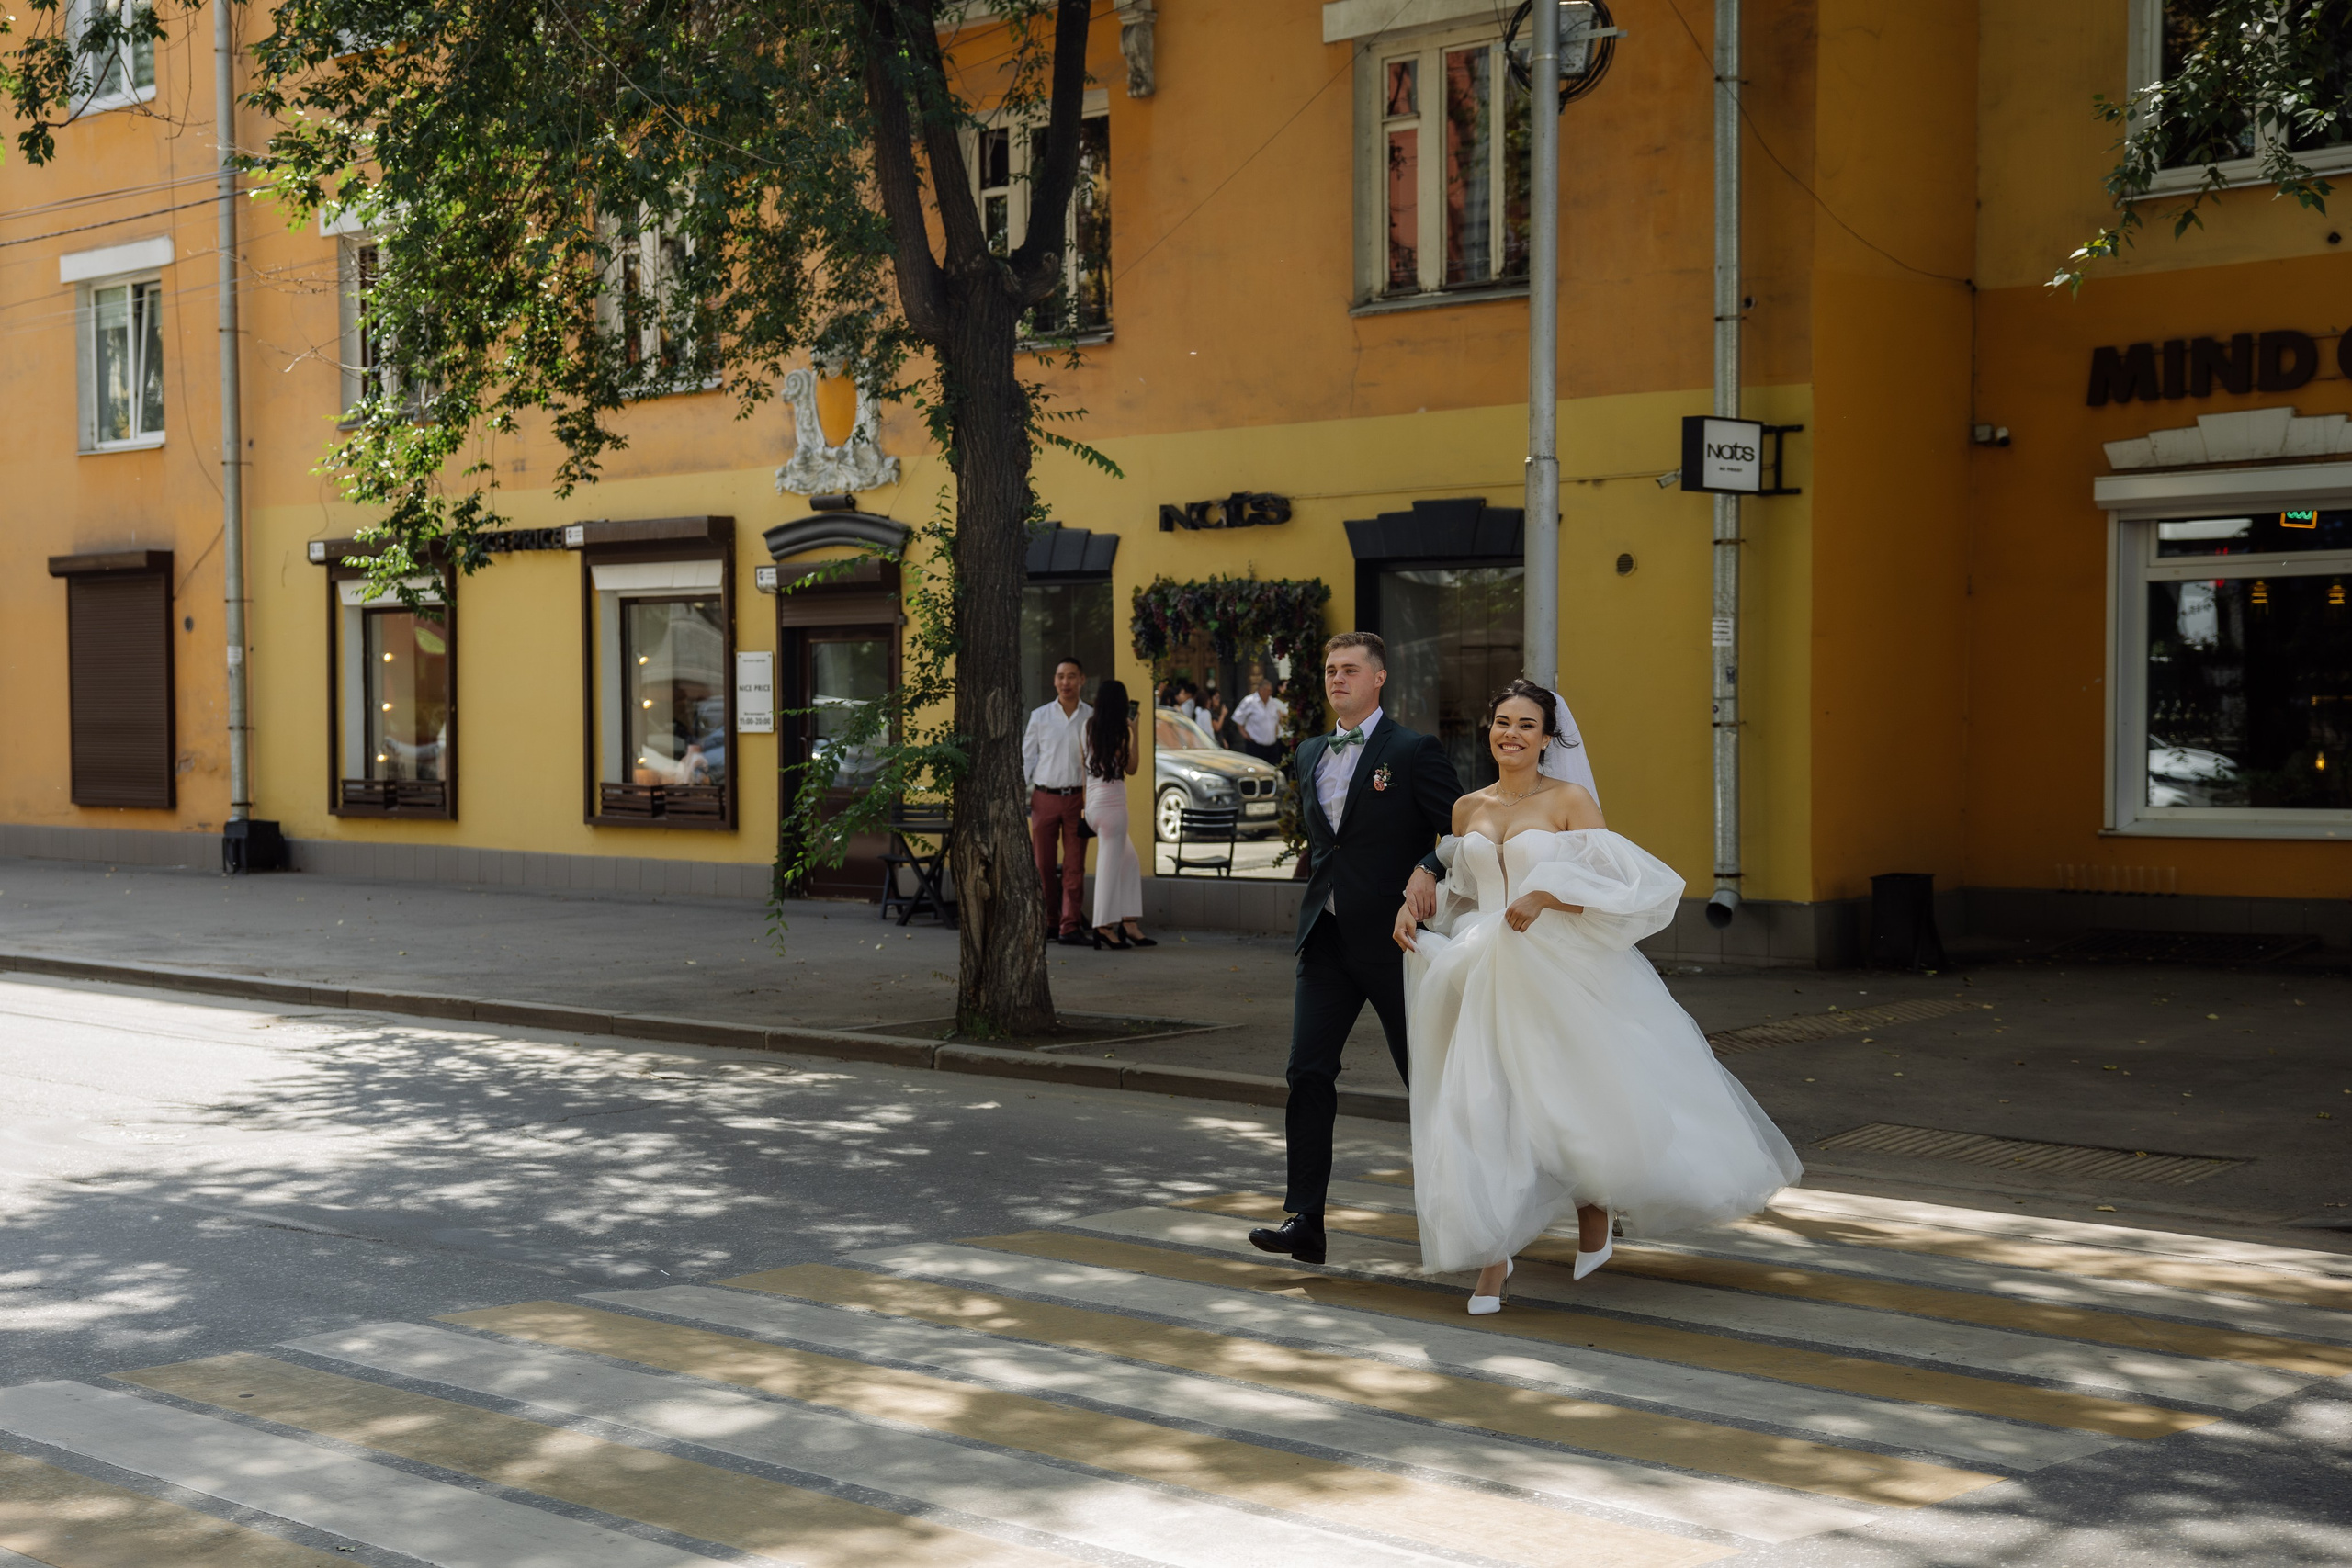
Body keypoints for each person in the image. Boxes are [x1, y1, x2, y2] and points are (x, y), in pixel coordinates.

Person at [1396, 679, 1801, 1313]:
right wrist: (1414, 904)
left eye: (1527, 725)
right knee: (1482, 1106)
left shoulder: (1569, 800)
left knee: (1566, 1101)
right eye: (1502, 721)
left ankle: (1593, 1204)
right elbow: (1467, 890)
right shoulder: (1467, 807)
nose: (1512, 734)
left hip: (1554, 965)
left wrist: (1547, 893)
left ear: (1548, 738)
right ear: (1489, 728)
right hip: (1479, 965)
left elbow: (1617, 888)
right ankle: (1494, 1260)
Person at [1246, 632, 1462, 1267]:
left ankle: (1480, 1213)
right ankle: (1304, 1220)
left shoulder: (1414, 750)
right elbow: (1328, 844)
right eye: (1329, 669)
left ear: (1379, 678)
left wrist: (1426, 865)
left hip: (1398, 943)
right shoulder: (1310, 750)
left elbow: (1462, 832)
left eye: (1349, 669)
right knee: (1307, 1072)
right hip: (1326, 941)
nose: (1336, 678)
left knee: (1429, 1081)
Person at [1022, 657, 1093, 947]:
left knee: (1074, 867)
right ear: (1054, 680)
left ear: (1082, 680)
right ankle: (1048, 922)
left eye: (1072, 676)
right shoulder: (1040, 716)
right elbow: (1028, 756)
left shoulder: (1091, 716)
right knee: (1043, 865)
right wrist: (1019, 791)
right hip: (1044, 798)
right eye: (1061, 676)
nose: (1066, 682)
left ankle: (1070, 926)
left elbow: (1094, 762)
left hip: (1078, 799)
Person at [1080, 680, 1157, 951]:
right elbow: (1132, 767)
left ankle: (1129, 923)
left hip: (1094, 805)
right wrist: (1134, 731)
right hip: (1113, 807)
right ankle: (1103, 926)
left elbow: (1083, 767)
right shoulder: (1119, 731)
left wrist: (1085, 806)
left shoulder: (1087, 727)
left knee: (1130, 862)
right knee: (1108, 869)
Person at [1233, 677, 1287, 766]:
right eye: (1268, 690)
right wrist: (1244, 734)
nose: (1270, 693)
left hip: (1272, 746)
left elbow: (1278, 718)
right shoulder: (1249, 701)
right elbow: (1238, 718)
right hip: (1256, 745)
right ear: (1261, 690)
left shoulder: (1272, 702)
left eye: (1271, 690)